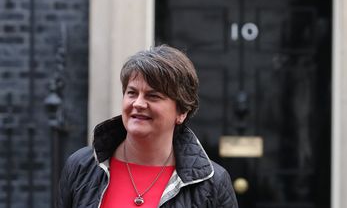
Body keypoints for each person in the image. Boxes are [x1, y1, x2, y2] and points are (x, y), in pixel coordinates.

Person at [56, 45, 238, 208]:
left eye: (153, 96)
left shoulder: (213, 184)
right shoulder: (81, 167)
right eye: (132, 93)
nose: (138, 103)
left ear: (181, 112)